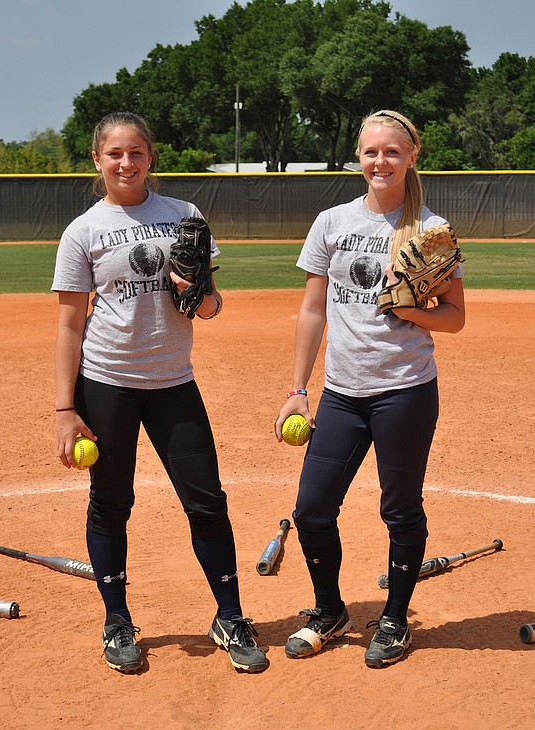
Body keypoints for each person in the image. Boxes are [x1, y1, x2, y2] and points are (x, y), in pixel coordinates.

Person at [52, 112, 267, 674]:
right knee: (111, 503)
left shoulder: (184, 217)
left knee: (207, 502)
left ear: (152, 158)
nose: (127, 163)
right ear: (98, 160)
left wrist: (198, 292)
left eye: (138, 152)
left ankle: (229, 615)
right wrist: (64, 409)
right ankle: (117, 619)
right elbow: (70, 326)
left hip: (174, 381)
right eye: (115, 154)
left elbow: (212, 305)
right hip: (106, 383)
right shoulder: (84, 231)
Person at [273, 110, 466, 668]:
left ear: (412, 155)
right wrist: (297, 389)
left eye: (391, 152)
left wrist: (408, 307)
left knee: (400, 510)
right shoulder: (332, 222)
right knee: (311, 510)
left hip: (404, 389)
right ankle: (329, 609)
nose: (380, 162)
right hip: (341, 393)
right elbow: (312, 311)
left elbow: (454, 318)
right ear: (358, 157)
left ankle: (395, 619)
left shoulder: (430, 230)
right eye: (370, 152)